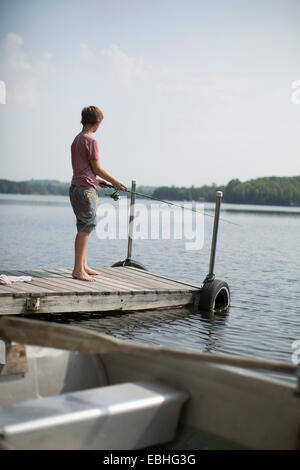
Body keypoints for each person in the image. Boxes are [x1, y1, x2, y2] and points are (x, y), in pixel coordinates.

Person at [69, 105, 127, 281]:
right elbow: (96, 167)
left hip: (76, 188)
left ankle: (83, 265)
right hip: (86, 191)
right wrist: (115, 181)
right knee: (86, 229)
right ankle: (78, 270)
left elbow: (83, 169)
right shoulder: (91, 140)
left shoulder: (76, 140)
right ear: (97, 123)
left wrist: (96, 180)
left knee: (83, 227)